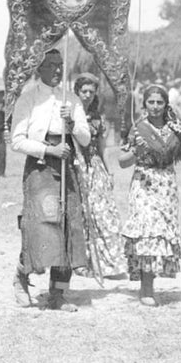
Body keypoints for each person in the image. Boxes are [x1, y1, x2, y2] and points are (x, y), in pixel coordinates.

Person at [9, 46, 91, 311]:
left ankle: (58, 293)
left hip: (67, 163)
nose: (57, 70)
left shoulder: (72, 100)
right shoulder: (28, 99)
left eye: (60, 65)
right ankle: (22, 277)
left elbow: (86, 138)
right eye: (51, 65)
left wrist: (73, 125)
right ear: (39, 68)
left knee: (67, 224)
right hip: (41, 165)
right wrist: (48, 149)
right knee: (42, 223)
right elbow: (17, 141)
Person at [117, 84, 181, 306]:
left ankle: (151, 284)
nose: (155, 106)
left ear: (166, 104)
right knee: (147, 233)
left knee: (161, 234)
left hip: (166, 184)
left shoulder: (177, 129)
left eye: (160, 102)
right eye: (151, 102)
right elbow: (122, 162)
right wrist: (135, 152)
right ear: (144, 104)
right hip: (144, 183)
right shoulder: (138, 128)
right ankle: (146, 289)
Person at [71, 74, 127, 279]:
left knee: (104, 212)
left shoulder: (97, 117)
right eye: (83, 91)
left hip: (94, 165)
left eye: (90, 92)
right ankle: (81, 261)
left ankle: (107, 262)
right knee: (82, 213)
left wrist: (109, 170)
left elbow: (103, 146)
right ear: (77, 92)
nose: (86, 95)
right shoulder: (68, 114)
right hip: (74, 164)